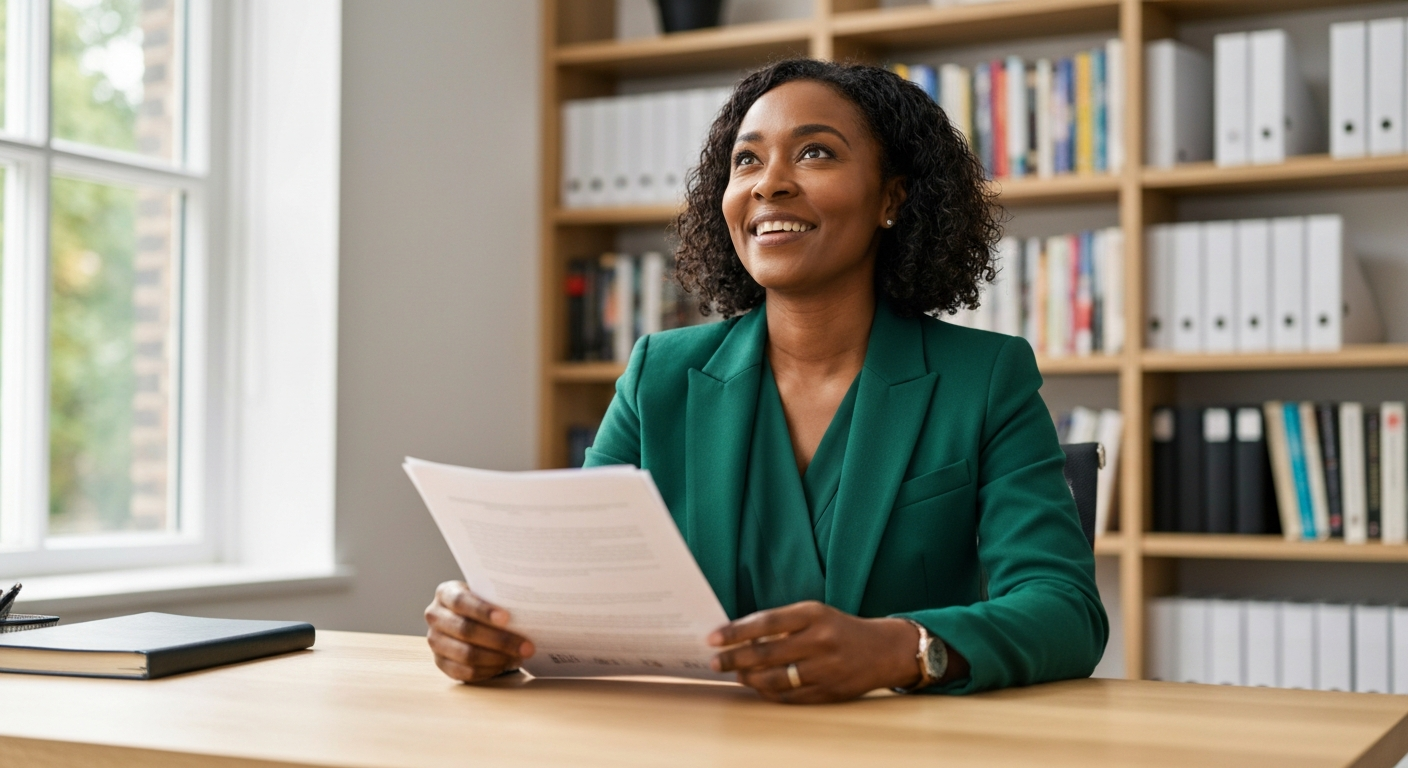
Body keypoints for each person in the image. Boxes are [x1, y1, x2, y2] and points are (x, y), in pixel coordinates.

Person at [425, 59, 1107, 703]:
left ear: (891, 199)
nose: (768, 183)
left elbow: (1064, 609)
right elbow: (572, 591)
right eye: (746, 159)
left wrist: (900, 649)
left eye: (815, 153)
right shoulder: (659, 376)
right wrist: (491, 628)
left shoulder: (983, 379)